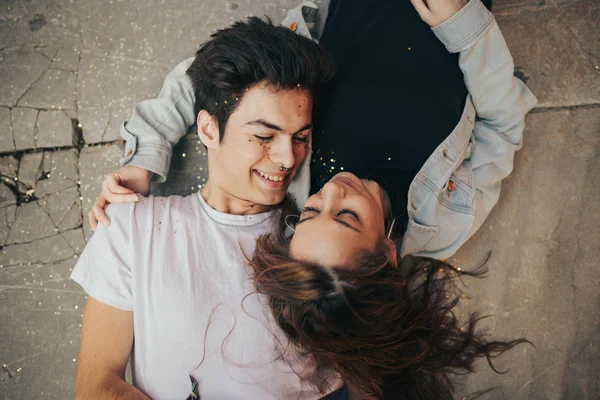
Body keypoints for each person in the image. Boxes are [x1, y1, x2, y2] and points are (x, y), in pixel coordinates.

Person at [84, 0, 538, 398]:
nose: (333, 189)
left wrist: (144, 156)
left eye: (311, 213)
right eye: (346, 216)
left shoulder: (291, 176)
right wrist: (463, 23)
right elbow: (504, 123)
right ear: (387, 253)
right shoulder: (448, 215)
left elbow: (221, 77)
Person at [71, 16, 339, 399]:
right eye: (264, 136)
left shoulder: (321, 244)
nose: (286, 157)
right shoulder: (131, 226)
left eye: (301, 137)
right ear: (209, 130)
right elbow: (96, 387)